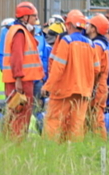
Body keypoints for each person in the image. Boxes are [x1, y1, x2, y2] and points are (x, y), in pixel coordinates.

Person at [42, 11, 98, 142]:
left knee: (54, 123)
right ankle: (74, 152)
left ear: (68, 25)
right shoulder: (91, 44)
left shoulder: (66, 41)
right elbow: (96, 69)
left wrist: (48, 85)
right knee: (76, 126)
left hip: (63, 91)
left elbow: (58, 67)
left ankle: (51, 150)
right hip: (83, 91)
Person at [2, 2, 44, 138]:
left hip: (22, 80)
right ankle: (16, 143)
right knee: (20, 115)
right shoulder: (19, 32)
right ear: (25, 17)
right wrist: (18, 79)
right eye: (33, 17)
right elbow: (17, 57)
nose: (36, 20)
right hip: (20, 81)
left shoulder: (22, 31)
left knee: (18, 114)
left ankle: (13, 142)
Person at [86, 14, 109, 137]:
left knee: (96, 119)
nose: (86, 26)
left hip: (96, 87)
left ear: (94, 29)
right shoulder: (101, 44)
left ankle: (100, 145)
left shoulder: (96, 45)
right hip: (99, 86)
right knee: (93, 118)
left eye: (89, 24)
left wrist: (90, 88)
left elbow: (94, 69)